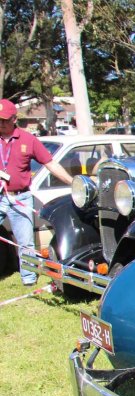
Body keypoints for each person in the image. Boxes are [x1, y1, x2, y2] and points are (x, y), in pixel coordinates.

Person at [0, 99, 73, 286]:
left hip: (20, 197)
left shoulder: (28, 140)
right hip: (0, 196)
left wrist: (73, 182)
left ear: (14, 119)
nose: (0, 123)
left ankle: (29, 278)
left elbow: (50, 164)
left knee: (25, 242)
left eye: (4, 120)